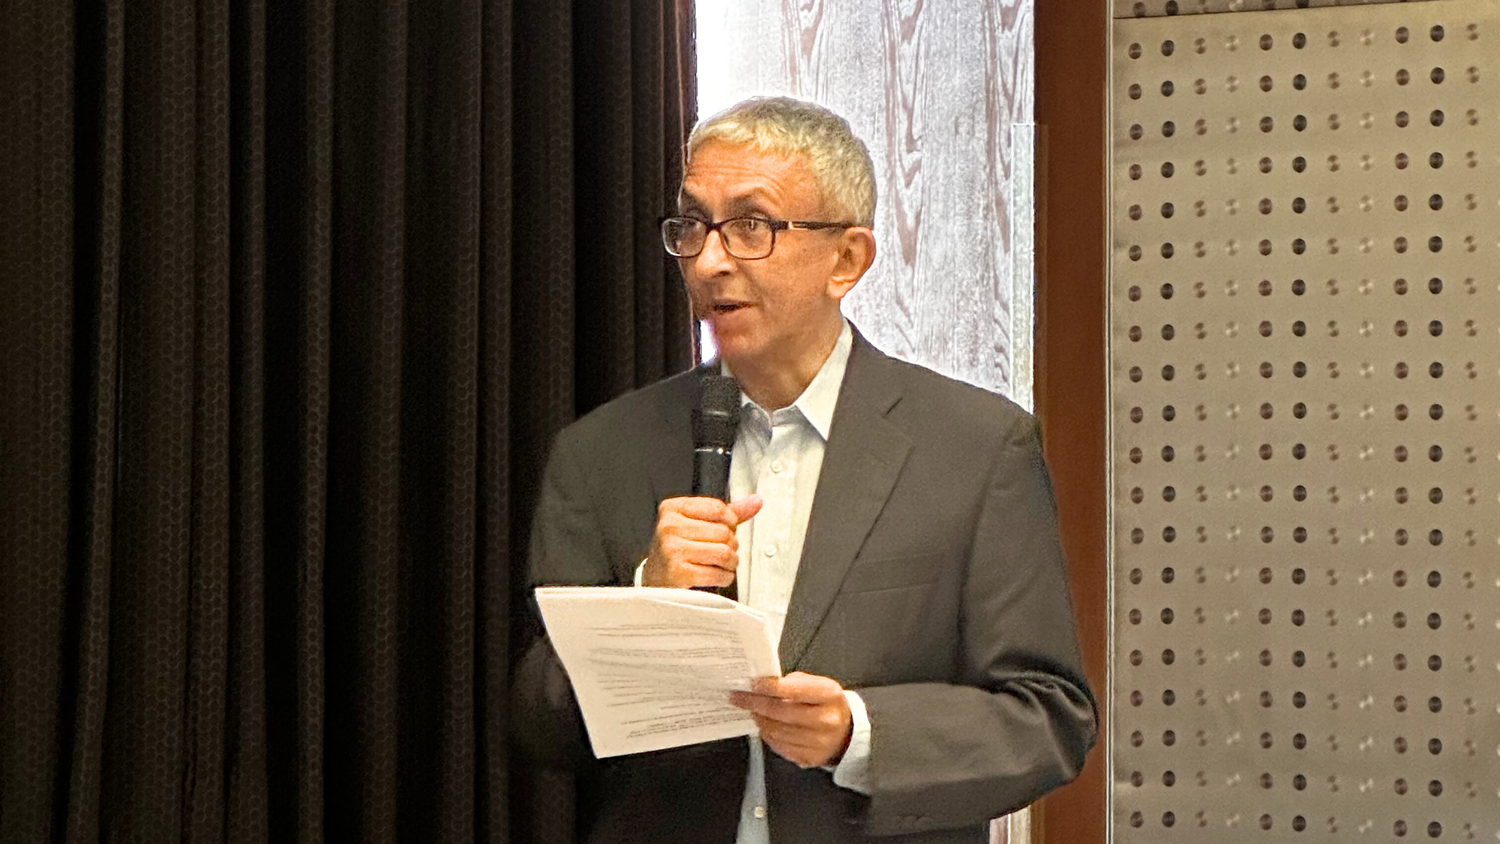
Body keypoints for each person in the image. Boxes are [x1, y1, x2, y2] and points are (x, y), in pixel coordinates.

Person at [513, 96, 1096, 844]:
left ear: (846, 260)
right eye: (693, 226)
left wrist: (858, 733)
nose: (710, 261)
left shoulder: (976, 449)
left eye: (751, 226)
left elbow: (1047, 720)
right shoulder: (602, 451)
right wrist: (642, 603)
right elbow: (537, 725)